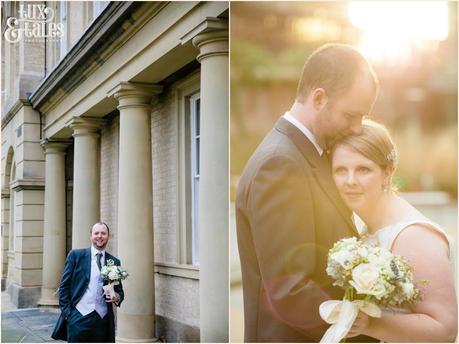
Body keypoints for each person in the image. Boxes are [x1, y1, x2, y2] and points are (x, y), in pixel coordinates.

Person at [235, 43, 379, 342]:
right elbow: (291, 290)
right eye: (351, 115)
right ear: (319, 98)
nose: (356, 129)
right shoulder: (280, 164)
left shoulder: (304, 156)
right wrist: (369, 332)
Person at [331, 119, 458, 342]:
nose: (350, 181)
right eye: (341, 170)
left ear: (387, 173)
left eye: (363, 169)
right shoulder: (371, 228)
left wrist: (370, 324)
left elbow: (444, 329)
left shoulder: (414, 235)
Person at [51, 222, 124, 343]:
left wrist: (116, 297)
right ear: (91, 236)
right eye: (96, 233)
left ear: (108, 236)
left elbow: (119, 291)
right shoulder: (76, 256)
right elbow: (64, 287)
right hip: (78, 317)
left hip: (103, 319)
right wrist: (69, 315)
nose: (100, 236)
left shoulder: (114, 261)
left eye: (103, 233)